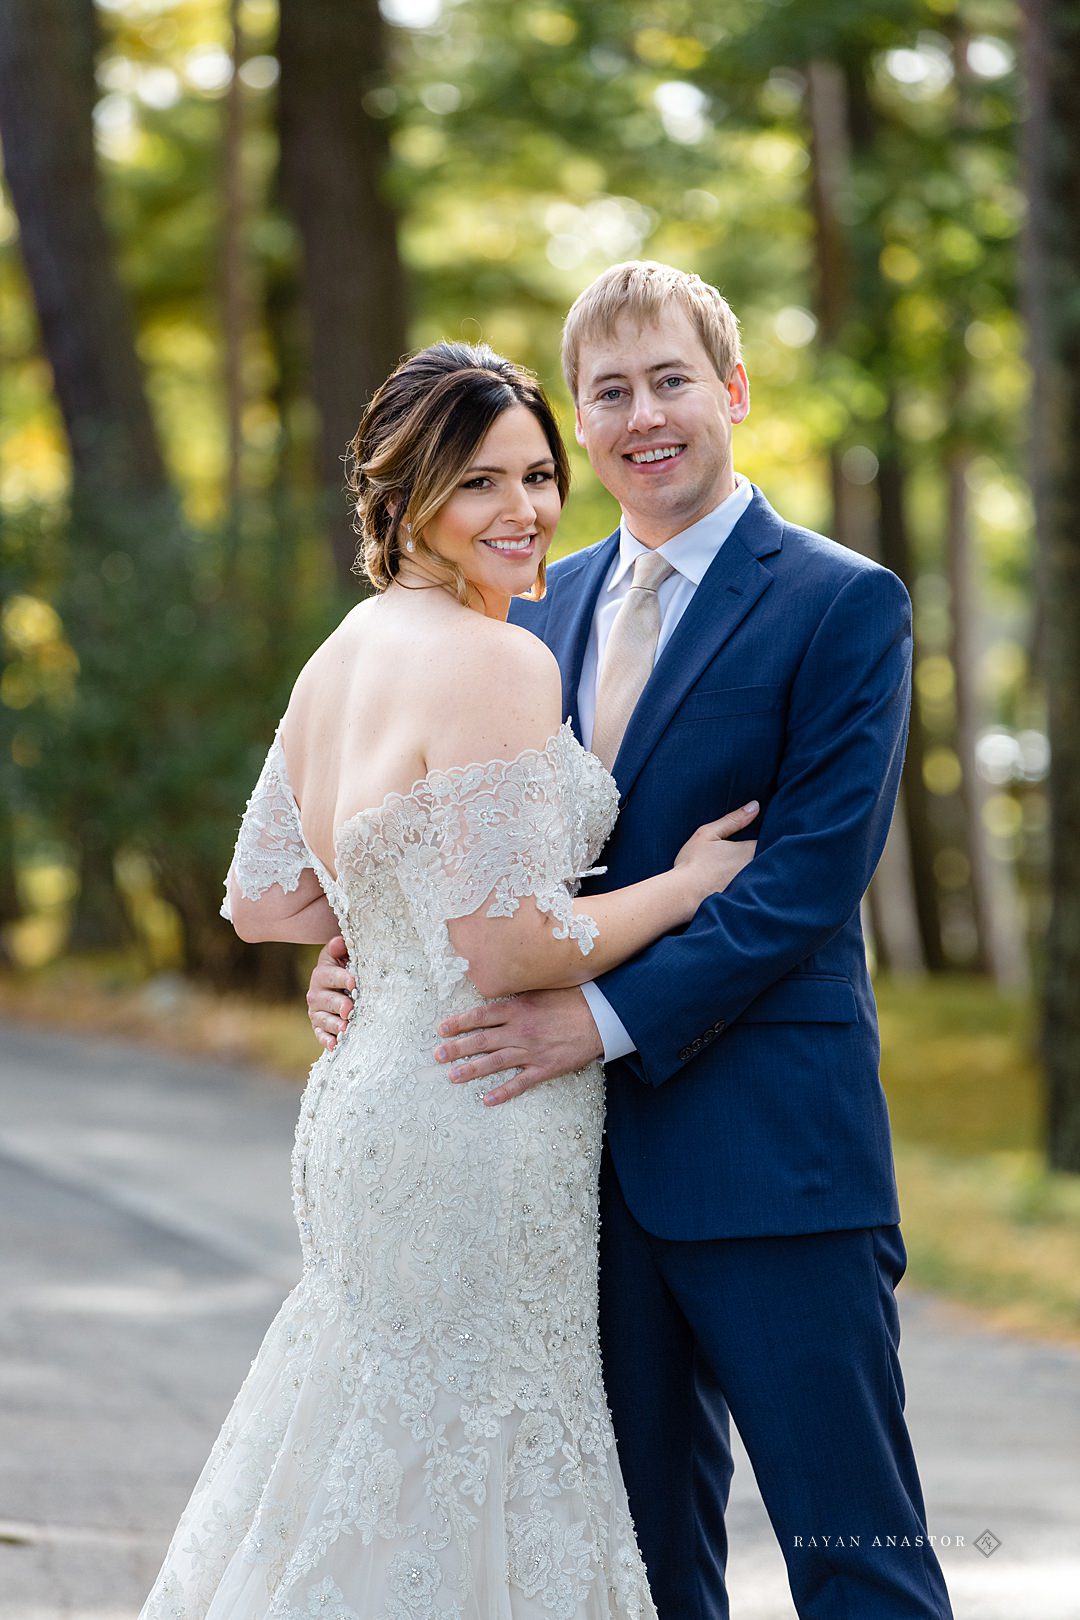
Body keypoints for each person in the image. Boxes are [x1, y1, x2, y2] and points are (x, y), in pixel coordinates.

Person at [308, 262, 954, 1620]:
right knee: (638, 1575)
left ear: (732, 392)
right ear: (582, 427)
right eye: (609, 393)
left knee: (861, 1567)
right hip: (565, 1176)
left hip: (773, 1158)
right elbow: (436, 829)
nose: (641, 415)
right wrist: (358, 949)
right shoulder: (532, 602)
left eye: (671, 381)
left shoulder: (843, 602)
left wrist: (595, 1018)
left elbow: (804, 883)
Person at [138, 339, 760, 1620]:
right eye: (480, 483)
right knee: (479, 1433)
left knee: (372, 1431)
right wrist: (686, 888)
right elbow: (505, 946)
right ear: (407, 495)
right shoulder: (497, 661)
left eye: (538, 476)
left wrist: (364, 937)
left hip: (369, 1107)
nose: (525, 512)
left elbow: (268, 898)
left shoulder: (342, 654)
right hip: (473, 1119)